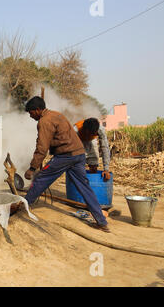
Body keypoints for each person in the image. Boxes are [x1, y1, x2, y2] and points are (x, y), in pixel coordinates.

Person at [22, 96, 110, 232]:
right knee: (84, 187)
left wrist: (32, 167)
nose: (30, 116)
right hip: (79, 154)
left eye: (31, 112)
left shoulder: (44, 121)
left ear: (38, 110)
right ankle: (101, 221)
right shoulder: (57, 114)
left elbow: (42, 147)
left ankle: (23, 207)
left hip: (66, 156)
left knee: (40, 178)